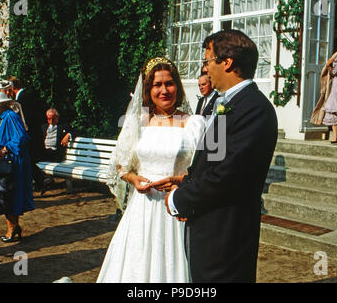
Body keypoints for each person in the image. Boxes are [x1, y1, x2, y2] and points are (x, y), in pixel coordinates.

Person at [158, 30, 278, 282]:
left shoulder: (255, 109)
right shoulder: (226, 103)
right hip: (207, 227)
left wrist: (179, 199)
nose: (205, 69)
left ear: (227, 62)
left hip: (227, 235)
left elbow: (228, 176)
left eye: (208, 61)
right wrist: (186, 181)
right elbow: (213, 160)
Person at [97, 57, 205, 282]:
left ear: (178, 86)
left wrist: (180, 180)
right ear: (148, 89)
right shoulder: (138, 123)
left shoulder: (194, 123)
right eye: (157, 84)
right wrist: (134, 179)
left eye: (169, 83)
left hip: (174, 208)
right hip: (141, 208)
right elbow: (119, 164)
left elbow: (204, 171)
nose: (164, 90)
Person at [0, 91, 35, 242]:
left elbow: (21, 137)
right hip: (11, 158)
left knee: (8, 193)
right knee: (8, 193)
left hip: (13, 160)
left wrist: (6, 148)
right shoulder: (6, 117)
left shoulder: (10, 116)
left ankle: (12, 228)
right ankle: (14, 226)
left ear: (1, 106)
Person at [7, 76, 45, 191]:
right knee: (29, 160)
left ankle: (42, 180)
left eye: (9, 88)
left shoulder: (22, 100)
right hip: (35, 133)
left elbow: (25, 120)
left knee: (27, 160)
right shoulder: (29, 95)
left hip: (29, 135)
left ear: (13, 88)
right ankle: (41, 181)